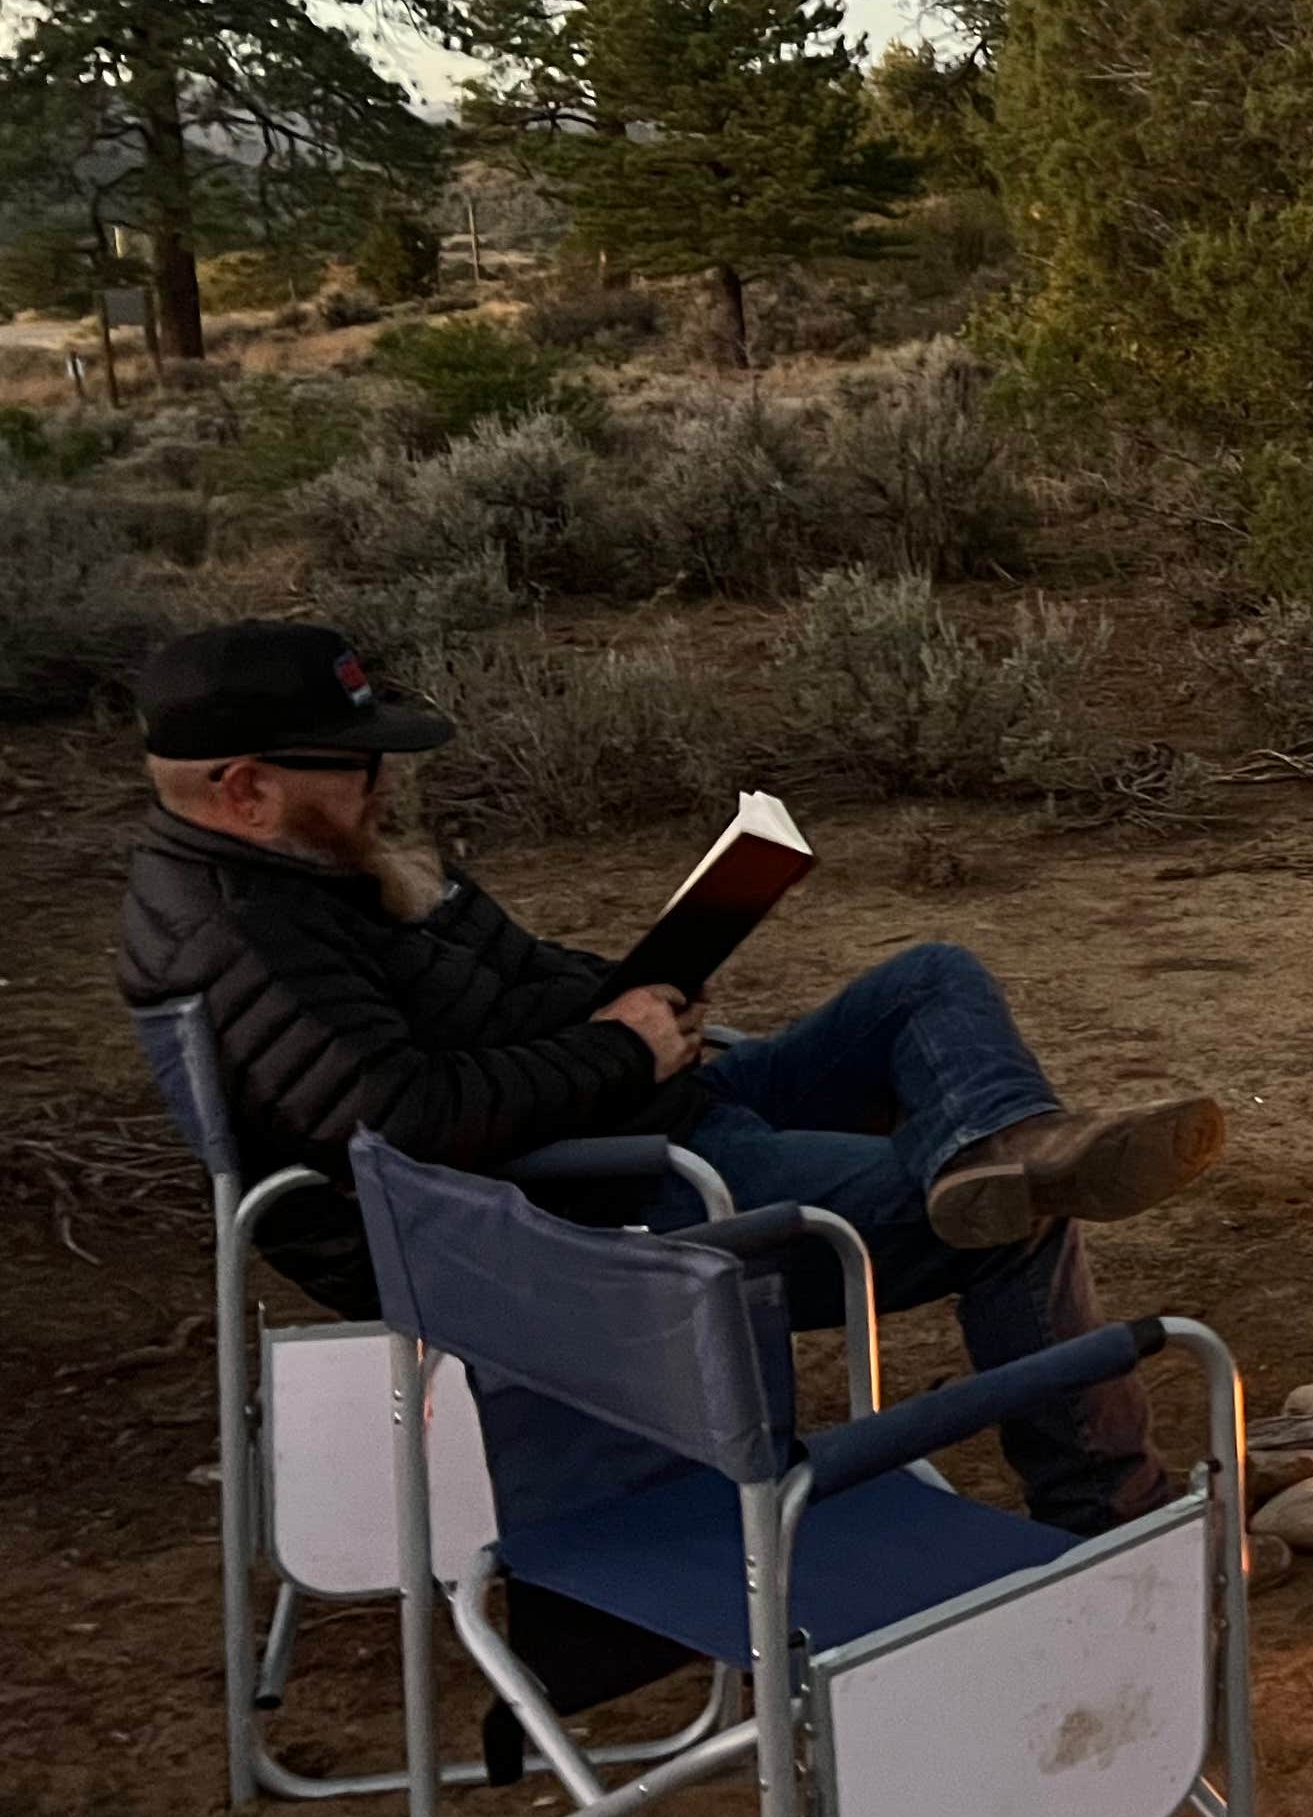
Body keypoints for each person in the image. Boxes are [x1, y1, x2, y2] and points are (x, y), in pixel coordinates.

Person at [116, 620, 1222, 1537]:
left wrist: (658, 984)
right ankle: (1109, 1520)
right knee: (1022, 1220)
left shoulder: (332, 862)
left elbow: (527, 981)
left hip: (653, 1106)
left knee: (931, 981)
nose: (385, 777)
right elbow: (404, 1123)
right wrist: (622, 1050)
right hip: (585, 1202)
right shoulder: (245, 934)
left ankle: (1000, 1141)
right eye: (354, 762)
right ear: (248, 788)